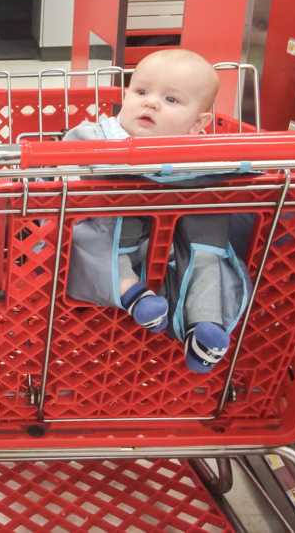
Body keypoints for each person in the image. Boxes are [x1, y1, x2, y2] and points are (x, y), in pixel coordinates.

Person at [65, 49, 248, 373]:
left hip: (167, 253)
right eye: (141, 92)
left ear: (199, 124)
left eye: (171, 100)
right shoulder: (97, 137)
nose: (150, 103)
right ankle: (130, 291)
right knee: (77, 239)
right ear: (125, 94)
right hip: (107, 239)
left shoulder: (201, 157)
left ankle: (205, 326)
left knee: (210, 249)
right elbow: (56, 175)